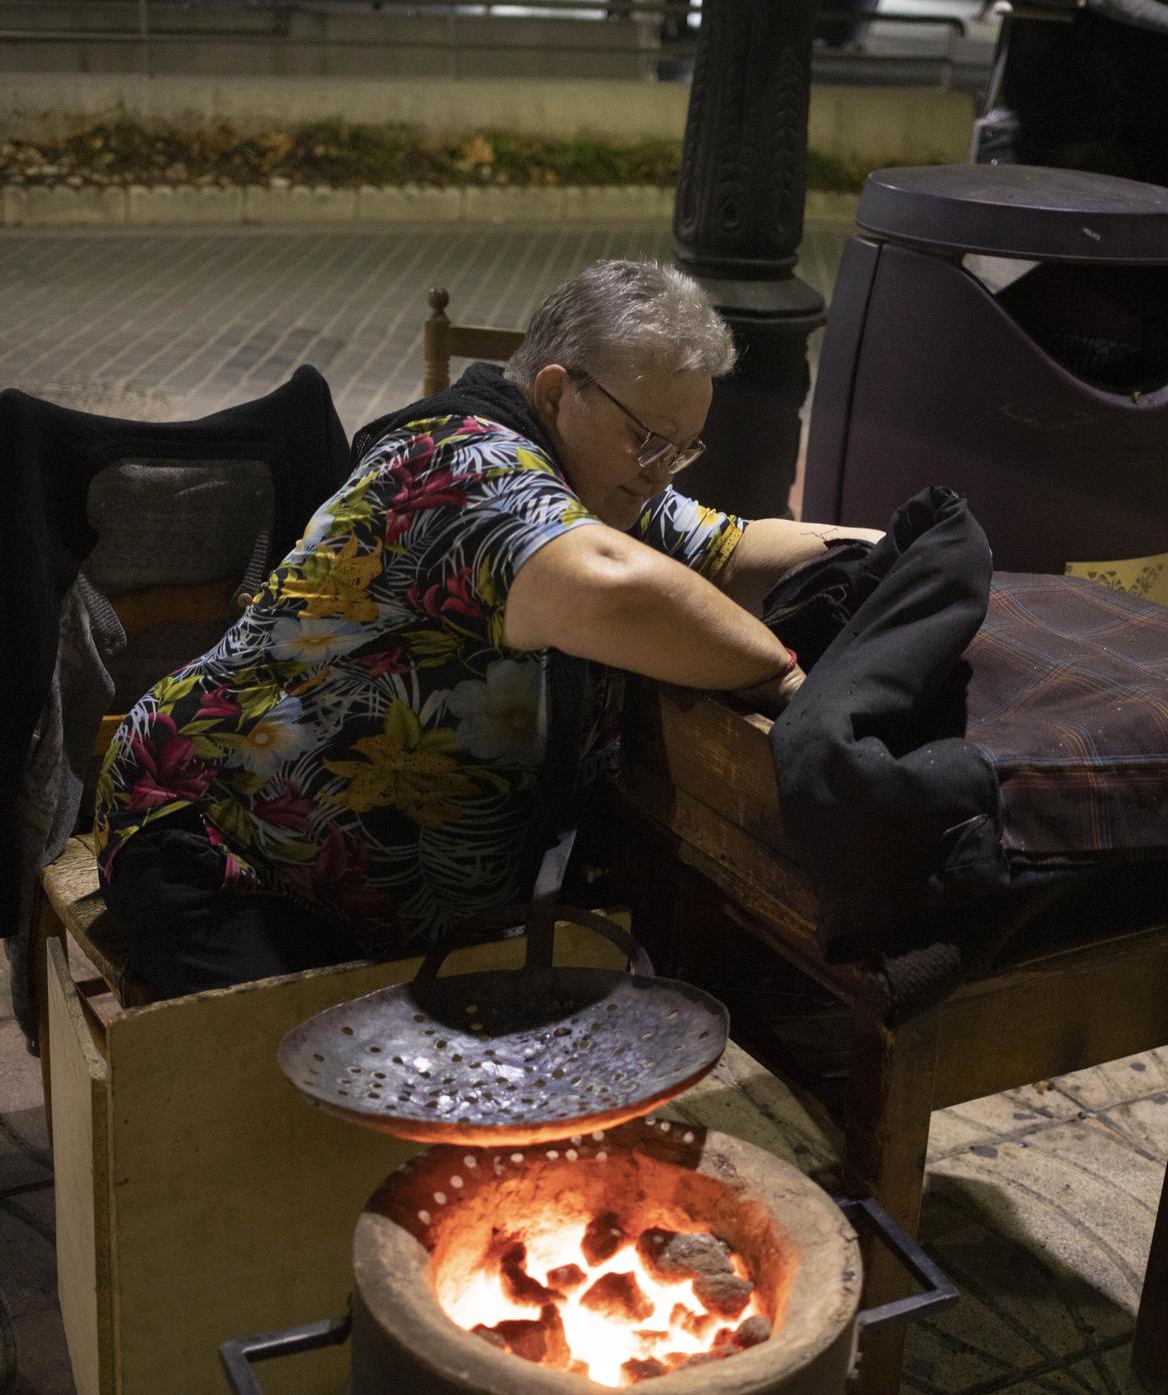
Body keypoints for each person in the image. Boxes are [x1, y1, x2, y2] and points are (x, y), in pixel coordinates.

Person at [94, 260, 881, 998]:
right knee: (298, 1098)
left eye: (679, 449)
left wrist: (890, 552)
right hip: (223, 844)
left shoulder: (604, 486)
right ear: (554, 391)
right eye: (646, 439)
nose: (658, 471)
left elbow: (735, 546)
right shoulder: (458, 466)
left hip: (361, 879)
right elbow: (609, 590)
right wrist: (779, 676)